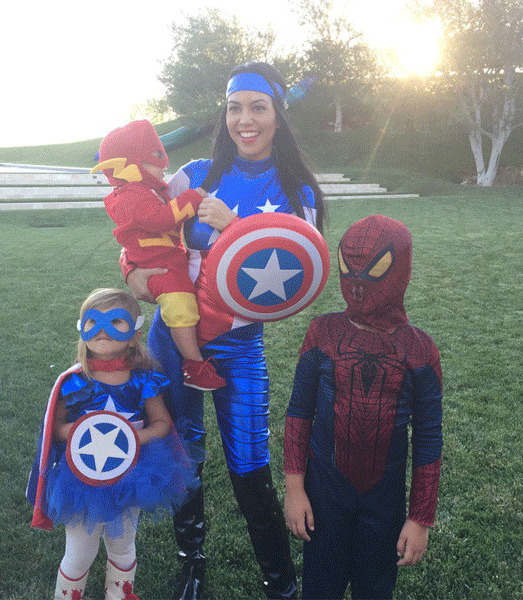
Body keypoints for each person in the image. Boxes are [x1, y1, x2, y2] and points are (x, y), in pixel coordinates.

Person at [123, 62, 327, 600]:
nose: (245, 119)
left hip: (238, 345)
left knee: (250, 463)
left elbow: (298, 276)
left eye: (258, 107)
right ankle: (191, 563)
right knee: (183, 450)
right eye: (235, 108)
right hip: (172, 339)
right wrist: (131, 271)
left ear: (278, 115)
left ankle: (280, 582)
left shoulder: (297, 191)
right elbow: (141, 234)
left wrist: (233, 227)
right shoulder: (194, 173)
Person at [283, 215, 443, 600]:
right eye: (348, 269)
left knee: (375, 589)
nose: (356, 283)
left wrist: (420, 518)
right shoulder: (322, 333)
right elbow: (299, 413)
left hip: (384, 502)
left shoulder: (419, 350)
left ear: (398, 269)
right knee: (320, 587)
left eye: (372, 270)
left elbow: (428, 438)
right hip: (323, 495)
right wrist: (294, 488)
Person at [26, 288, 199, 600]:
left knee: (122, 546)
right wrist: (81, 432)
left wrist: (132, 437)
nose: (103, 330)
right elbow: (56, 428)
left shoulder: (143, 379)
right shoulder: (75, 381)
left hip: (131, 474)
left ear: (134, 334)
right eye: (94, 321)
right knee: (79, 552)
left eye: (116, 321)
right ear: (82, 329)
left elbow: (161, 423)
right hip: (82, 478)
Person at [91, 120, 225, 392]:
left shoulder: (145, 190)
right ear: (132, 165)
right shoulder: (131, 195)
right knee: (181, 308)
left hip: (168, 260)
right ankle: (194, 365)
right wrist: (195, 196)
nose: (164, 166)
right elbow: (162, 219)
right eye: (155, 158)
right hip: (159, 266)